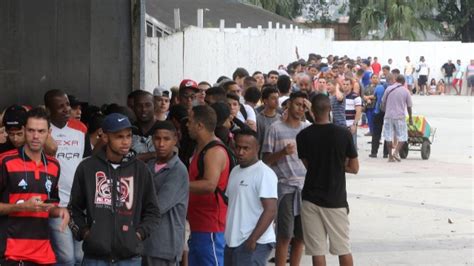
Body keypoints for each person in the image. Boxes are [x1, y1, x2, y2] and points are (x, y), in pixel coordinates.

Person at [68, 113, 160, 265]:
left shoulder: (140, 170)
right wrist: (86, 234)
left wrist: (137, 235)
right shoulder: (87, 167)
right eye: (119, 137)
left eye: (129, 136)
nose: (125, 142)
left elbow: (153, 211)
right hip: (95, 257)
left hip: (129, 258)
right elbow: (73, 209)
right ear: (104, 137)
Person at [0, 107, 70, 265]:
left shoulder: (54, 165)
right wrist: (21, 207)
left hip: (44, 255)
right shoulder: (5, 161)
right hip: (11, 254)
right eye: (31, 130)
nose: (36, 136)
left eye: (41, 131)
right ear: (24, 130)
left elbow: (50, 205)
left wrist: (59, 211)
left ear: (49, 132)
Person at [296, 94, 359, 266]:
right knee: (343, 248)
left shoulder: (302, 136)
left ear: (312, 111)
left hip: (310, 197)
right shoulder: (343, 134)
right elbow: (354, 168)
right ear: (329, 109)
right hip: (336, 199)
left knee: (317, 251)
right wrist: (339, 165)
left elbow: (308, 165)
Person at [262, 92, 310, 266]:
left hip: (306, 189)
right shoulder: (275, 128)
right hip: (285, 188)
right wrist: (282, 152)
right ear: (289, 104)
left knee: (301, 236)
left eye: (304, 106)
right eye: (298, 104)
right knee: (285, 235)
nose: (301, 109)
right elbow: (265, 160)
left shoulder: (307, 128)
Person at [44, 89, 92, 265]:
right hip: (57, 205)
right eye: (60, 107)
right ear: (49, 110)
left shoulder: (81, 129)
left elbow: (87, 162)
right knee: (66, 257)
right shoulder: (43, 130)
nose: (66, 109)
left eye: (67, 105)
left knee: (79, 257)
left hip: (79, 205)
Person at [186, 105, 232, 266]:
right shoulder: (201, 148)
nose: (187, 125)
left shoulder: (214, 151)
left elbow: (209, 185)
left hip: (210, 225)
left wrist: (179, 185)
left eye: (190, 121)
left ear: (200, 125)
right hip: (199, 224)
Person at [224, 129, 278, 266]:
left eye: (246, 148)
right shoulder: (235, 171)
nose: (240, 152)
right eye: (238, 147)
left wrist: (253, 239)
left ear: (257, 148)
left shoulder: (264, 173)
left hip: (253, 243)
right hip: (232, 241)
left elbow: (271, 210)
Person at [143, 121, 189, 266]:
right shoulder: (149, 166)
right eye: (157, 138)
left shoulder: (178, 170)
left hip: (165, 247)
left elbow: (158, 206)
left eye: (166, 139)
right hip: (145, 245)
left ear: (175, 140)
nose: (161, 144)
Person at [381, 75, 413, 162]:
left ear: (396, 80)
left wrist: (385, 111)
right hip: (399, 117)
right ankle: (396, 152)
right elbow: (409, 106)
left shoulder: (388, 89)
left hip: (388, 116)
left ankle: (390, 156)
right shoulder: (406, 91)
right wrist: (410, 118)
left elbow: (383, 102)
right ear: (403, 82)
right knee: (403, 136)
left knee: (388, 136)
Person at [131, 90, 157, 162]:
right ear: (133, 108)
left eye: (148, 105)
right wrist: (153, 154)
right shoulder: (129, 129)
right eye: (139, 105)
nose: (144, 109)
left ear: (154, 107)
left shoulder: (165, 127)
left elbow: (172, 153)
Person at [370, 74, 391, 158]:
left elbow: (374, 97)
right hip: (387, 112)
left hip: (378, 111)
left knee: (376, 133)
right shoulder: (390, 89)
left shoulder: (378, 88)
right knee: (387, 133)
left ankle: (374, 152)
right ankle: (386, 153)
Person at [256, 87, 281, 157]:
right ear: (265, 101)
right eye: (273, 98)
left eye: (277, 98)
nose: (277, 101)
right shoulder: (258, 119)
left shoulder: (280, 118)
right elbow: (258, 141)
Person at [342, 79, 362, 150]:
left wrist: (354, 124)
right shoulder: (340, 96)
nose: (345, 86)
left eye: (347, 84)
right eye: (344, 84)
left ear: (351, 86)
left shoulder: (356, 97)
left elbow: (358, 111)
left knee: (351, 147)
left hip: (351, 125)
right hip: (341, 125)